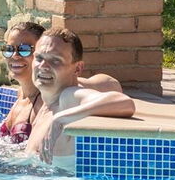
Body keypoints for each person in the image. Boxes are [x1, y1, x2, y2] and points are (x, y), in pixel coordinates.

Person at [0, 15, 124, 145]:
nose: (15, 56)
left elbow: (112, 87)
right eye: (9, 49)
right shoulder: (22, 93)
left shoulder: (59, 95)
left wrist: (75, 81)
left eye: (24, 49)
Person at [27, 26, 135, 165]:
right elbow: (110, 82)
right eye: (39, 57)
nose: (43, 66)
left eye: (55, 60)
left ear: (77, 68)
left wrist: (61, 119)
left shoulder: (68, 98)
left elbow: (124, 102)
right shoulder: (49, 100)